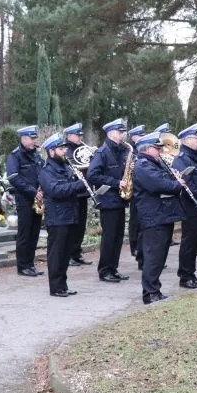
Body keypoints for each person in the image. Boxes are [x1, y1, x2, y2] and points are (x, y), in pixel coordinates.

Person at [132, 132, 185, 304]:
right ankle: (150, 293)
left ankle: (155, 289)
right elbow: (160, 184)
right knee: (154, 257)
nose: (161, 151)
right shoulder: (143, 166)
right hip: (154, 216)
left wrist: (174, 181)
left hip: (162, 215)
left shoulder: (154, 163)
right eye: (157, 148)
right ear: (148, 149)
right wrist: (177, 184)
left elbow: (167, 179)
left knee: (159, 256)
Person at [38, 133, 88, 297]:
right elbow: (55, 191)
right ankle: (56, 287)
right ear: (51, 152)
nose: (64, 151)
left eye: (64, 148)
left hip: (70, 215)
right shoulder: (46, 171)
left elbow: (70, 186)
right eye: (60, 149)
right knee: (57, 254)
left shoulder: (67, 166)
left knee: (65, 253)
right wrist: (78, 185)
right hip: (57, 217)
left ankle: (63, 285)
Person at [87, 118, 131, 283]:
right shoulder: (103, 152)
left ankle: (113, 268)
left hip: (119, 200)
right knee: (109, 238)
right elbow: (92, 175)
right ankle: (105, 270)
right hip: (108, 201)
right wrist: (116, 183)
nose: (122, 135)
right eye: (120, 133)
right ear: (111, 133)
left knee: (118, 237)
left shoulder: (121, 151)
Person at [172, 124, 197, 289]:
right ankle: (185, 276)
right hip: (191, 204)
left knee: (195, 240)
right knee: (188, 242)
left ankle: (191, 274)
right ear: (187, 140)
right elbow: (188, 184)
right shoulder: (182, 158)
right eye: (196, 138)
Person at [6, 125, 45, 278]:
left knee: (34, 233)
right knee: (25, 234)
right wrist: (33, 192)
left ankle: (30, 263)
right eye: (31, 138)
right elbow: (14, 178)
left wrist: (42, 189)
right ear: (23, 139)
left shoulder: (36, 155)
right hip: (24, 200)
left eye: (35, 138)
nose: (33, 141)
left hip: (38, 198)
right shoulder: (15, 156)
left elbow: (42, 172)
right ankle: (22, 266)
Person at [64, 123, 93, 267]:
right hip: (73, 193)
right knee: (73, 226)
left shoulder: (83, 149)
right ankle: (69, 255)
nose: (80, 138)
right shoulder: (67, 151)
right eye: (77, 135)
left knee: (81, 226)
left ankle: (77, 254)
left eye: (81, 135)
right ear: (69, 136)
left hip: (83, 193)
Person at [127, 125, 145, 266]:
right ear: (133, 137)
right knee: (135, 220)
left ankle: (140, 250)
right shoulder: (131, 151)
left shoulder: (141, 150)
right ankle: (134, 245)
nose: (141, 137)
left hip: (141, 188)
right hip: (134, 189)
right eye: (139, 135)